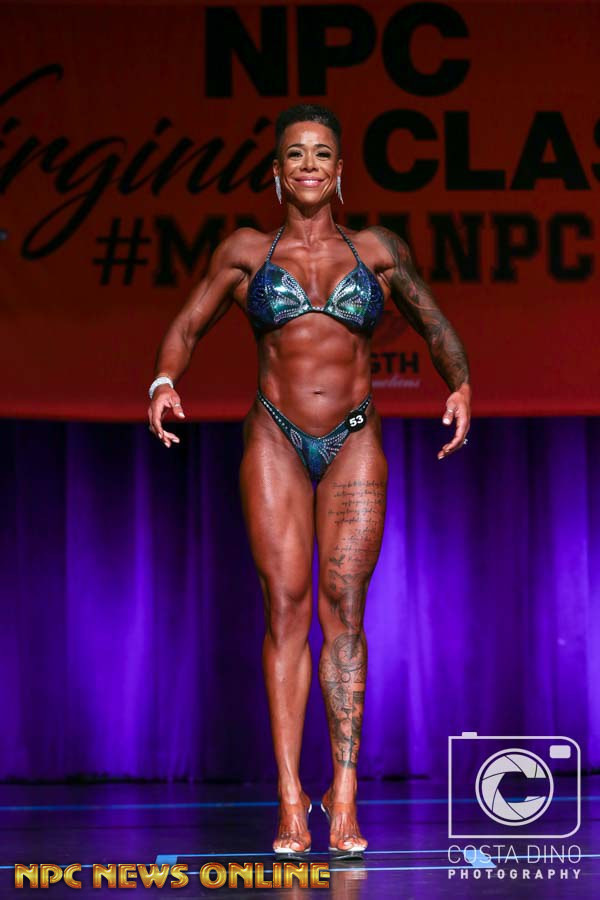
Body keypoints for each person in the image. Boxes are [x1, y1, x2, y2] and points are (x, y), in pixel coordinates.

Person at [147, 104, 471, 860]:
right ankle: (292, 798)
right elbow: (188, 324)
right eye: (295, 154)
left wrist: (459, 382)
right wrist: (164, 380)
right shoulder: (246, 252)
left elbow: (434, 323)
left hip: (354, 438)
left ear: (340, 170)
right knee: (287, 610)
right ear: (276, 171)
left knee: (344, 612)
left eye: (322, 153)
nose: (309, 165)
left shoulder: (377, 251)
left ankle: (345, 794)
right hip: (274, 438)